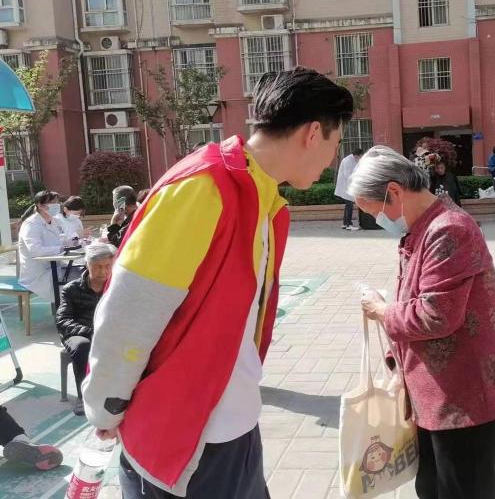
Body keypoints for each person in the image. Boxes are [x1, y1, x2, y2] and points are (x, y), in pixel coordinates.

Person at [83, 67, 353, 499]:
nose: (332, 160)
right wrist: (105, 405)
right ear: (313, 133)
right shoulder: (203, 188)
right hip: (183, 439)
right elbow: (130, 310)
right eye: (336, 145)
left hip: (233, 425)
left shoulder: (261, 199)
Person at [351, 146, 495, 499]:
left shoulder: (448, 229)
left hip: (464, 405)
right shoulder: (423, 229)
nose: (377, 221)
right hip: (437, 400)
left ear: (394, 191)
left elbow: (436, 315)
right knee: (431, 489)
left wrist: (382, 311)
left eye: (375, 211)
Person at [56, 242, 116, 416]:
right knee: (82, 346)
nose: (103, 272)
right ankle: (84, 397)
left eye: (107, 266)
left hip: (107, 332)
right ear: (87, 264)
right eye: (97, 267)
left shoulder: (116, 287)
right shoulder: (71, 289)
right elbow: (63, 320)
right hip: (78, 334)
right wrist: (90, 332)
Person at [18, 191, 66, 306]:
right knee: (76, 281)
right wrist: (60, 248)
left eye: (57, 202)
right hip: (37, 274)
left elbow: (63, 239)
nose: (56, 205)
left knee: (82, 273)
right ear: (40, 205)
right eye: (52, 203)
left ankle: (71, 312)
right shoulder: (31, 225)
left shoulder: (54, 221)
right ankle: (67, 314)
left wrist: (75, 241)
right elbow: (36, 250)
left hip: (54, 267)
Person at [335, 147, 364, 230]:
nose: (361, 158)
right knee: (349, 205)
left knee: (348, 205)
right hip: (346, 187)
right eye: (361, 156)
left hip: (348, 186)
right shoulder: (347, 161)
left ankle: (345, 223)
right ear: (357, 155)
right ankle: (349, 225)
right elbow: (347, 176)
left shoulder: (354, 160)